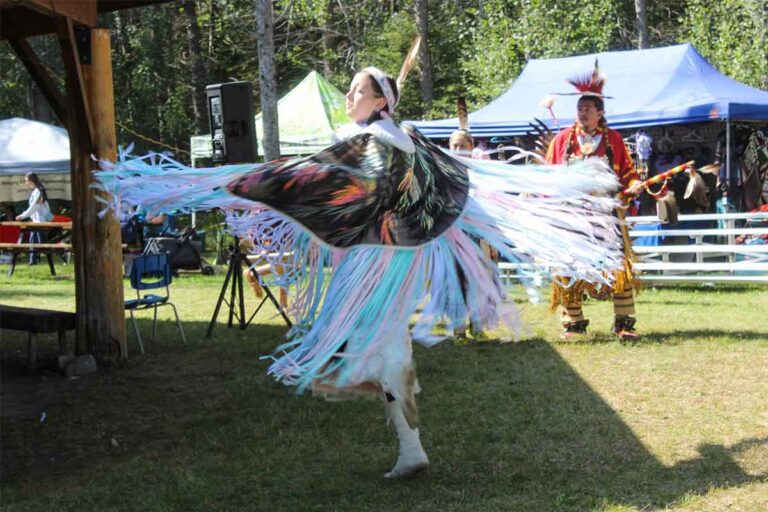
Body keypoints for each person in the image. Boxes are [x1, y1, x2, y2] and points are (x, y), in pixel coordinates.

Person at [95, 67, 626, 478]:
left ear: (380, 101)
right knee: (388, 351)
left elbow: (318, 181)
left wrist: (247, 182)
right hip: (389, 261)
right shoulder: (398, 140)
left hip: (383, 265)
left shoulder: (383, 142)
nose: (349, 97)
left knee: (373, 350)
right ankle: (410, 446)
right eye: (349, 90)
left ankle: (405, 437)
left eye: (357, 90)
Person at [546, 62, 643, 341]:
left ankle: (624, 323)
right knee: (567, 265)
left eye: (588, 108)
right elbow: (550, 174)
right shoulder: (562, 140)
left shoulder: (612, 139)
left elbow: (627, 172)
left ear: (600, 113)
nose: (582, 112)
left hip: (606, 216)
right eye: (579, 108)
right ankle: (573, 324)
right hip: (571, 215)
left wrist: (634, 184)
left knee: (618, 265)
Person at [15, 172, 54, 264]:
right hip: (36, 221)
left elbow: (33, 207)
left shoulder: (39, 191)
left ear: (31, 181)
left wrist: (22, 215)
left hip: (42, 221)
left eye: (26, 181)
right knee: (33, 240)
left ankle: (61, 253)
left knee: (42, 243)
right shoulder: (36, 191)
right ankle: (32, 260)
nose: (26, 183)